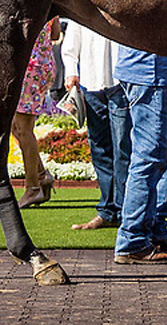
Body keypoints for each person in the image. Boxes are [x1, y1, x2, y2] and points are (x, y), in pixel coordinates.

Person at [110, 47, 167, 264]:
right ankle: (132, 241)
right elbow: (164, 31)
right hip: (151, 73)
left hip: (166, 73)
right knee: (150, 156)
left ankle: (153, 229)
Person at [62, 19, 125, 230]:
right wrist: (71, 70)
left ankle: (126, 212)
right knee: (101, 151)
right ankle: (109, 211)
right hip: (91, 83)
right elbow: (72, 38)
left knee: (123, 150)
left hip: (121, 82)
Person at [14, 25, 62, 207]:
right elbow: (56, 34)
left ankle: (32, 188)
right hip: (42, 63)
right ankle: (42, 176)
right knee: (15, 127)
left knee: (24, 129)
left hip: (30, 65)